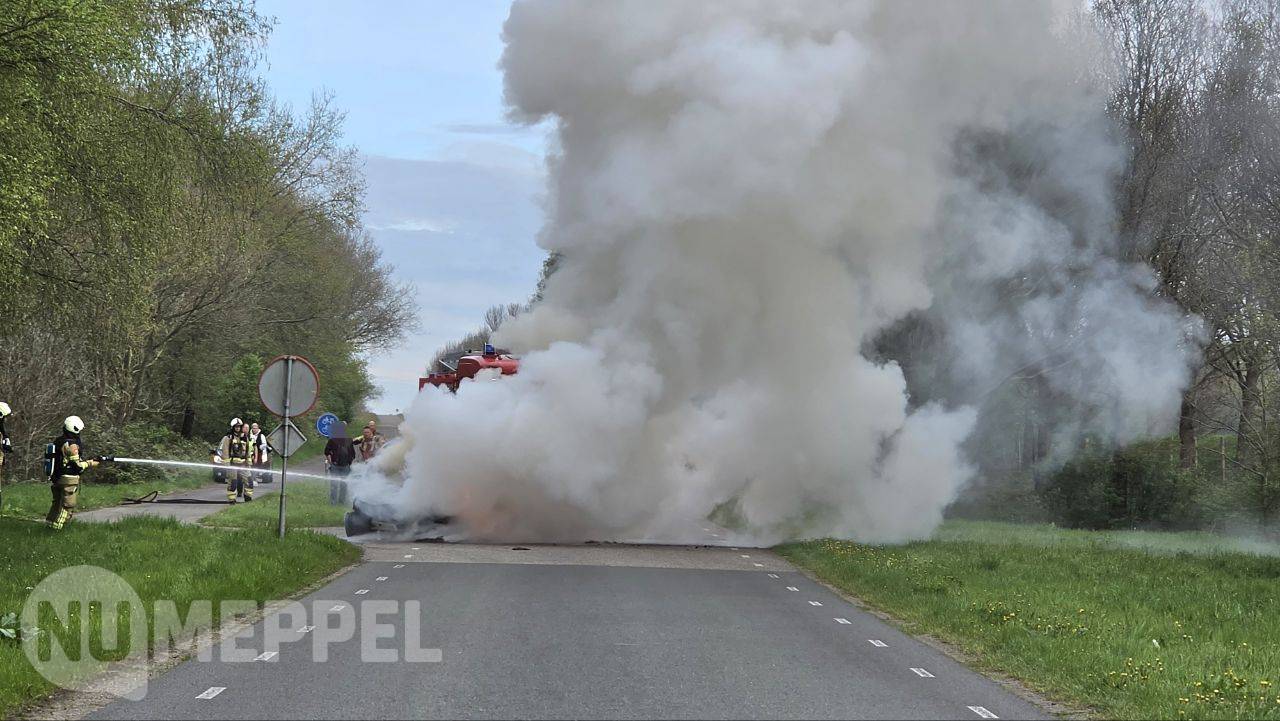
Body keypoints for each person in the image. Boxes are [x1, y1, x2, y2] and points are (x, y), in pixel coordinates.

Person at [46, 415, 100, 530]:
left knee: (57, 503)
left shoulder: (59, 441)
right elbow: (77, 467)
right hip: (68, 479)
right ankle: (57, 529)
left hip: (57, 477)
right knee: (67, 505)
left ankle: (49, 524)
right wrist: (90, 463)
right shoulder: (73, 445)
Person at [214, 418, 253, 502]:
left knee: (249, 480)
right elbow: (225, 451)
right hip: (232, 464)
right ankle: (232, 499)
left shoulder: (245, 437)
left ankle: (248, 497)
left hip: (243, 463)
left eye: (239, 427)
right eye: (236, 427)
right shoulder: (228, 438)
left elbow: (247, 451)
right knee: (233, 482)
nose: (238, 428)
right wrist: (227, 463)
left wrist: (248, 461)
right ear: (233, 427)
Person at [324, 422, 356, 505]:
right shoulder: (332, 440)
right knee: (334, 485)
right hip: (335, 466)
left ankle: (341, 502)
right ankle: (333, 502)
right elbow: (326, 452)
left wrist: (349, 462)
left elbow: (353, 454)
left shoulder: (349, 440)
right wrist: (331, 463)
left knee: (344, 485)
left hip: (346, 466)